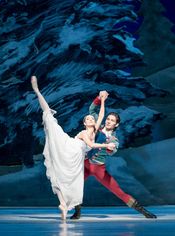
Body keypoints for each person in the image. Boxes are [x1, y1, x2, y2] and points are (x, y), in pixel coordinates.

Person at [31, 76, 114, 220]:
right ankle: (37, 91)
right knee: (50, 119)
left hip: (76, 158)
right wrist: (106, 144)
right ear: (84, 123)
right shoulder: (83, 133)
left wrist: (102, 101)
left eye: (91, 119)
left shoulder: (94, 130)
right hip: (68, 147)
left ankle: (63, 204)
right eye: (87, 119)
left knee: (68, 181)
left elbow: (101, 114)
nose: (90, 119)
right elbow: (91, 145)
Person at [70, 95, 157, 219]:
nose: (109, 121)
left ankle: (142, 211)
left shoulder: (114, 140)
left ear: (116, 125)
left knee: (117, 190)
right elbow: (92, 109)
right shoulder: (97, 127)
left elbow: (113, 150)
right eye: (108, 119)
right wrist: (100, 97)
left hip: (98, 168)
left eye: (112, 121)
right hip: (84, 164)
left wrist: (109, 147)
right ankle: (77, 211)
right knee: (73, 185)